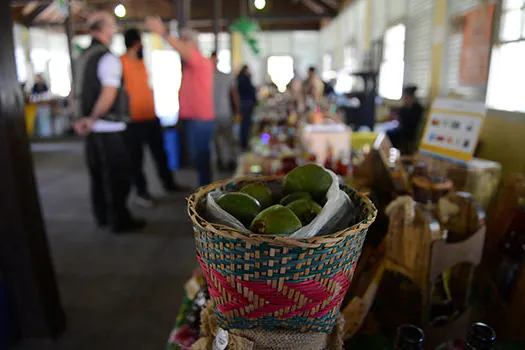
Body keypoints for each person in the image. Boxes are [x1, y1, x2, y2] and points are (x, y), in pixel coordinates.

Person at [73, 12, 144, 232]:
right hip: (108, 126)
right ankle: (120, 221)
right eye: (112, 26)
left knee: (97, 175)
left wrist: (80, 120)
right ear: (101, 29)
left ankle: (102, 216)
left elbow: (76, 92)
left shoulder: (83, 56)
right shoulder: (108, 57)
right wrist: (92, 119)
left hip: (91, 128)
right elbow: (108, 93)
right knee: (117, 176)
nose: (114, 30)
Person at [146, 17, 215, 187]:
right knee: (196, 158)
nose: (180, 46)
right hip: (192, 117)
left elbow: (184, 51)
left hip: (200, 118)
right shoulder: (190, 65)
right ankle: (203, 190)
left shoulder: (199, 61)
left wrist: (163, 33)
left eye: (184, 42)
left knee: (201, 157)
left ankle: (205, 192)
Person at [121, 28, 178, 208]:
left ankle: (168, 183)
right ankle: (141, 192)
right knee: (135, 160)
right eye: (140, 42)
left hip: (150, 117)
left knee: (160, 154)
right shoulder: (120, 62)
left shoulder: (141, 63)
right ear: (135, 43)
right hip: (133, 120)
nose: (143, 45)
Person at [210, 51, 239, 171]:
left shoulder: (224, 76)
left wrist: (236, 110)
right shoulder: (223, 76)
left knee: (225, 139)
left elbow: (234, 94)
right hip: (215, 114)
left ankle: (227, 161)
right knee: (221, 140)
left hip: (221, 113)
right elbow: (234, 95)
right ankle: (224, 162)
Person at [387, 85, 424, 154]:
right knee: (388, 133)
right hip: (402, 129)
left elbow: (412, 122)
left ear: (412, 97)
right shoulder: (405, 107)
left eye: (407, 97)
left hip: (410, 132)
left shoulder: (418, 108)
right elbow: (399, 115)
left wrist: (400, 118)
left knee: (393, 136)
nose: (405, 99)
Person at [237, 65, 257, 151]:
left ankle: (243, 143)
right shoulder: (245, 79)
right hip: (247, 104)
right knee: (246, 124)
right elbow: (251, 91)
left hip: (243, 104)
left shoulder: (239, 79)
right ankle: (244, 144)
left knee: (243, 124)